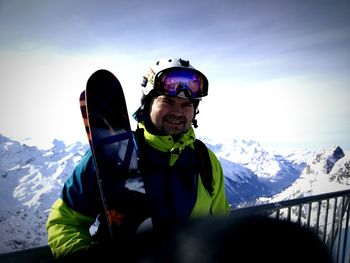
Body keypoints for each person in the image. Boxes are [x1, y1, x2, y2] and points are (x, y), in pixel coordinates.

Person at [45, 57, 230, 260]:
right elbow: (65, 221)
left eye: (186, 104)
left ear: (195, 111)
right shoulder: (112, 151)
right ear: (147, 104)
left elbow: (220, 223)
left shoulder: (205, 159)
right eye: (167, 101)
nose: (177, 112)